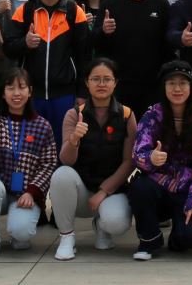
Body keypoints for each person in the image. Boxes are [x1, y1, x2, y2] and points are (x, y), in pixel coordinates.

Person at [49, 58, 136, 260]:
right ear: (87, 83)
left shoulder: (126, 115)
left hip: (112, 190)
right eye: (95, 79)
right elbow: (66, 160)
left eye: (107, 79)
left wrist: (104, 191)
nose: (101, 84)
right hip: (82, 191)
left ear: (115, 82)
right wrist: (74, 140)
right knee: (61, 175)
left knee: (116, 223)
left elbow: (129, 162)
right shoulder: (73, 115)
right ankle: (66, 237)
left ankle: (102, 225)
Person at [129, 60, 192, 260]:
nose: (177, 89)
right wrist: (151, 158)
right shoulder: (151, 116)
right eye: (171, 83)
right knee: (139, 187)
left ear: (191, 87)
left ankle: (177, 238)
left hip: (185, 189)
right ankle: (149, 240)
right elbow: (137, 154)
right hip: (157, 185)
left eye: (183, 83)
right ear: (164, 87)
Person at [4, 0, 90, 148]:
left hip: (65, 95)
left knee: (63, 146)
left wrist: (82, 93)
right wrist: (25, 43)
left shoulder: (74, 12)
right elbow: (8, 48)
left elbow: (84, 57)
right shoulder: (25, 11)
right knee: (31, 148)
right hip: (31, 95)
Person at [0, 65, 56, 256]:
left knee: (22, 233)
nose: (16, 93)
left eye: (22, 87)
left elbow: (49, 164)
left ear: (30, 91)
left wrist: (32, 192)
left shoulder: (42, 126)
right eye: (10, 88)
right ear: (3, 93)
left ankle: (17, 234)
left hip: (25, 194)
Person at [96, 0, 173, 112]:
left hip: (153, 86)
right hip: (119, 87)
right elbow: (96, 45)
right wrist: (103, 31)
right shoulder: (110, 4)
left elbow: (169, 45)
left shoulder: (161, 4)